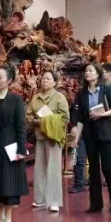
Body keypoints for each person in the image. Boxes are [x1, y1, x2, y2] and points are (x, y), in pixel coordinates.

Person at [70, 62, 111, 213]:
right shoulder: (82, 93)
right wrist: (76, 139)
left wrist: (101, 114)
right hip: (89, 135)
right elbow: (81, 118)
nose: (87, 73)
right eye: (86, 71)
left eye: (90, 70)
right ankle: (96, 204)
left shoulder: (106, 90)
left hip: (105, 133)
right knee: (93, 169)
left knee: (108, 168)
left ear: (97, 74)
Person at [0, 64, 29, 222]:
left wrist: (21, 148)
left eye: (0, 77)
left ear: (9, 80)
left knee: (9, 183)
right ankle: (1, 218)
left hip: (10, 145)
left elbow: (21, 126)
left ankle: (9, 219)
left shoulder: (16, 100)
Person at [28, 69, 70, 213]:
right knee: (39, 168)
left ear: (55, 82)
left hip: (53, 137)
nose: (44, 81)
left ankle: (54, 201)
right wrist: (36, 121)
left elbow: (65, 118)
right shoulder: (36, 98)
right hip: (40, 136)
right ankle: (39, 199)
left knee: (53, 169)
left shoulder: (59, 98)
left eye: (48, 79)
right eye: (43, 78)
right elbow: (28, 115)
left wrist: (48, 120)